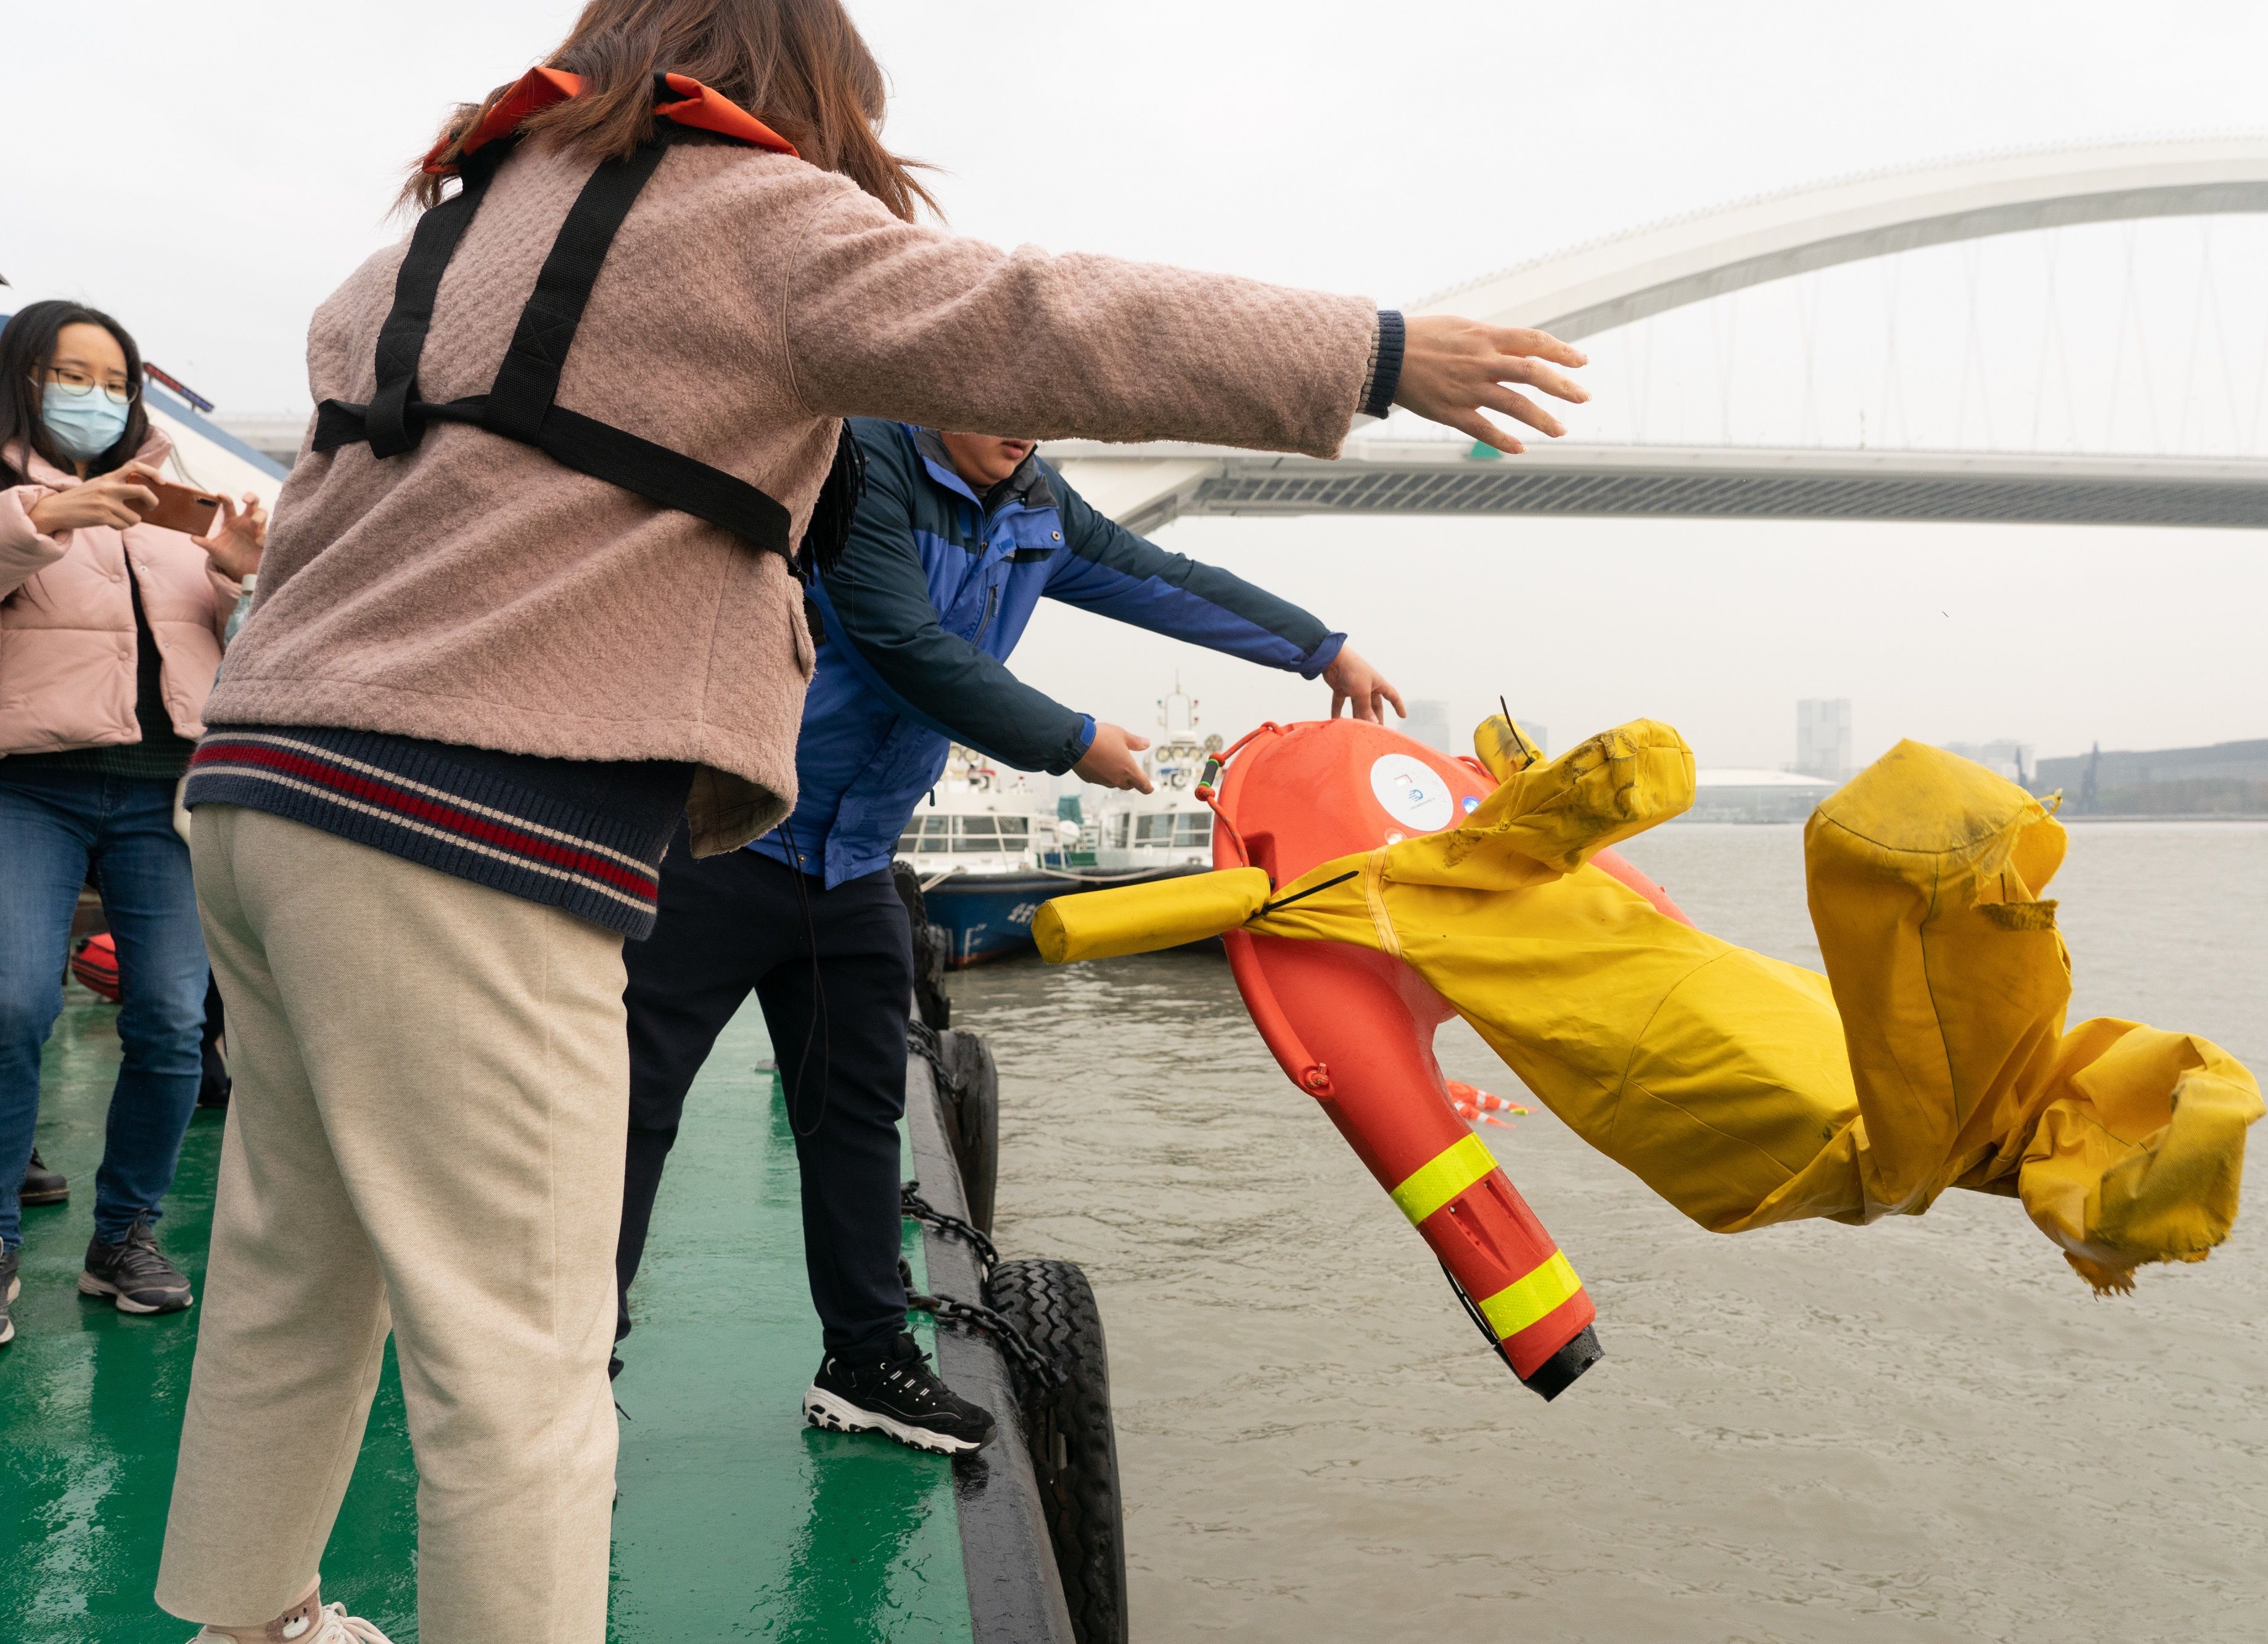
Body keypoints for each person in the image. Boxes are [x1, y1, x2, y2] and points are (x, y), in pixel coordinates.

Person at [154, 2, 1587, 1639]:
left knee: (292, 1259)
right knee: (526, 1362)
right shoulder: (748, 222)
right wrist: (1376, 352)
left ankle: (252, 1616)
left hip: (262, 788)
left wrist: (1308, 638)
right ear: (810, 89)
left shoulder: (441, 236)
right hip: (474, 823)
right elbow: (1046, 320)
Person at [614, 417, 1405, 1452]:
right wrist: (1071, 741)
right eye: (998, 395)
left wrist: (1320, 647)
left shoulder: (1036, 503)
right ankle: (574, 1364)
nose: (1024, 427)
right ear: (941, 374)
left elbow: (1159, 575)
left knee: (856, 1113)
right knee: (630, 1105)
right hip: (730, 832)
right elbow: (900, 641)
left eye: (1043, 407)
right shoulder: (858, 465)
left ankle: (864, 1361)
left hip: (855, 864)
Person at [0, 300, 266, 1352]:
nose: (97, 398)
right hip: (29, 783)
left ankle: (125, 1236)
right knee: (13, 999)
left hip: (167, 788)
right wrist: (44, 518)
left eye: (115, 382)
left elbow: (227, 654)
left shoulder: (171, 502)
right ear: (22, 378)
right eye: (72, 375)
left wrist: (237, 577)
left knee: (168, 1017)